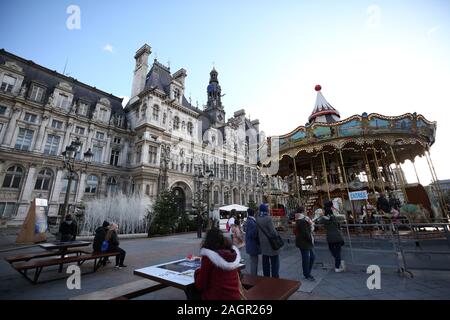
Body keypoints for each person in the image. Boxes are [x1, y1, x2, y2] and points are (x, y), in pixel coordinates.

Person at [194, 228, 242, 300]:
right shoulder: (232, 254)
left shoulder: (209, 257)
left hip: (217, 297)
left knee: (193, 292)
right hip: (235, 296)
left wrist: (197, 272)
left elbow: (201, 284)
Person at [318, 201, 345, 273]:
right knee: (338, 252)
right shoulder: (334, 217)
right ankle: (338, 264)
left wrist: (321, 215)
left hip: (330, 237)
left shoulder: (323, 219)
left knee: (333, 251)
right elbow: (339, 221)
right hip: (338, 236)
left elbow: (319, 221)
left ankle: (338, 263)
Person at [256, 203, 281, 278]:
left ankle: (266, 276)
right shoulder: (268, 218)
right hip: (271, 242)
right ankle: (275, 276)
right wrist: (277, 235)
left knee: (265, 260)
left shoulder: (258, 218)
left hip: (262, 242)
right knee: (275, 261)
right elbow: (273, 231)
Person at [294, 207, 315, 281]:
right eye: (305, 210)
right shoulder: (302, 220)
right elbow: (305, 233)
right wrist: (310, 240)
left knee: (311, 257)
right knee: (307, 258)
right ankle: (307, 274)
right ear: (303, 211)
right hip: (305, 242)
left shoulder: (300, 219)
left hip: (304, 241)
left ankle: (307, 272)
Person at [245, 208, 260, 276]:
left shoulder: (249, 221)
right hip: (253, 245)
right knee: (254, 262)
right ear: (253, 213)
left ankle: (254, 275)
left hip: (251, 244)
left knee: (254, 261)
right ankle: (254, 277)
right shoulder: (251, 222)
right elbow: (252, 234)